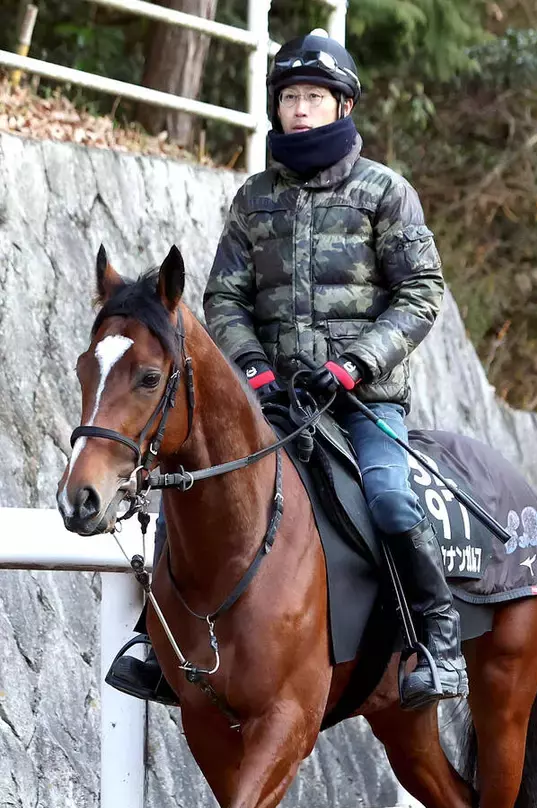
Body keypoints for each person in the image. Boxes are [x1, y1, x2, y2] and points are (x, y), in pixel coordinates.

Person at [107, 29, 468, 710]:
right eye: (290, 98)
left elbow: (421, 293)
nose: (299, 110)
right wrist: (253, 370)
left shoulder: (386, 193)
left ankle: (438, 640)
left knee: (390, 498)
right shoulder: (253, 199)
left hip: (363, 402)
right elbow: (223, 297)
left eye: (313, 98)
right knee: (188, 487)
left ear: (343, 106)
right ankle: (156, 643)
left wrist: (355, 367)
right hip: (271, 398)